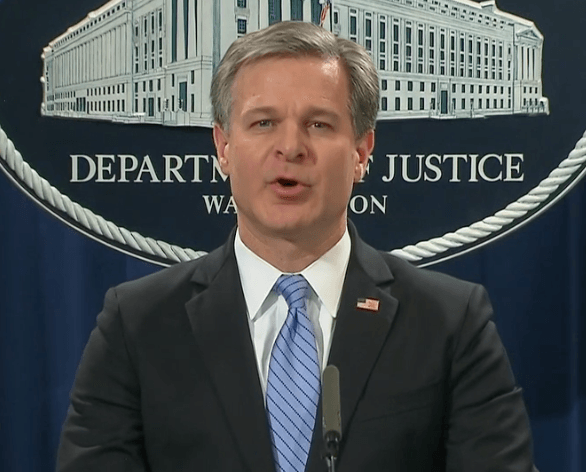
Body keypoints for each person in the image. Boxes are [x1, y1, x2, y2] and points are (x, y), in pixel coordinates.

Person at [57, 21, 538, 472]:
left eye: (319, 124)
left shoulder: (449, 323)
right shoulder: (137, 325)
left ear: (361, 152)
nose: (290, 147)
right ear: (224, 147)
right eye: (263, 123)